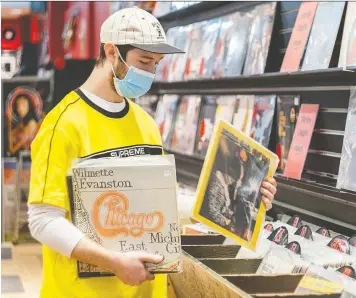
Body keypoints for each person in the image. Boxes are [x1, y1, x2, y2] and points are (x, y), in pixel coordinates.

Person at [27, 7, 278, 298]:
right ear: (111, 51)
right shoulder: (63, 124)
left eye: (156, 64)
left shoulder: (145, 123)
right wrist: (113, 261)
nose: (150, 72)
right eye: (144, 61)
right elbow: (43, 219)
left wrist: (245, 195)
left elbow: (159, 205)